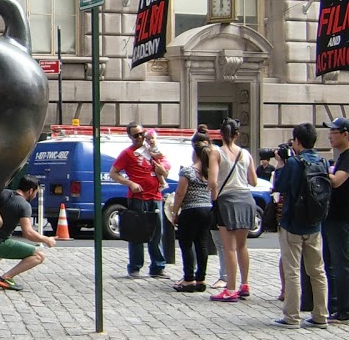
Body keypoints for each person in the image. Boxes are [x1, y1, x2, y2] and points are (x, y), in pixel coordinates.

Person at [272, 122, 329, 328]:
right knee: (317, 271)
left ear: (296, 141)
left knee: (293, 270)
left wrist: (280, 163)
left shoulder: (295, 163)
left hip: (293, 222)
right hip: (314, 223)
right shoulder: (323, 162)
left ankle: (292, 316)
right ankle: (321, 314)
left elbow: (279, 186)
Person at [0, 175, 55, 290]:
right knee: (39, 255)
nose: (35, 195)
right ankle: (6, 278)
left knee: (7, 239)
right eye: (36, 192)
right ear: (30, 190)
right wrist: (46, 239)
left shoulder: (4, 193)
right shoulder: (24, 205)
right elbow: (28, 233)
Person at [109, 122, 166, 280]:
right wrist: (130, 183)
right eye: (136, 135)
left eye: (142, 134)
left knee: (157, 232)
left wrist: (162, 172)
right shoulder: (127, 153)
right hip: (138, 198)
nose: (140, 137)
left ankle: (157, 266)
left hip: (155, 196)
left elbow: (165, 169)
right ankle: (135, 266)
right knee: (137, 233)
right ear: (130, 137)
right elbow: (114, 172)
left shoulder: (152, 150)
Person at [320, 118, 349, 321]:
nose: (330, 135)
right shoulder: (342, 156)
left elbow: (336, 181)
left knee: (341, 263)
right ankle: (335, 306)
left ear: (346, 134)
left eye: (333, 132)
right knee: (330, 263)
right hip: (331, 216)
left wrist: (321, 170)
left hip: (342, 216)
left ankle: (346, 309)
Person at [209, 118, 255, 301]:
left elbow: (212, 181)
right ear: (237, 135)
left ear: (220, 134)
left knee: (229, 247)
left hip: (227, 200)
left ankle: (230, 289)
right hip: (246, 199)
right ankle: (245, 284)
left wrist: (213, 193)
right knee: (242, 245)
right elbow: (254, 181)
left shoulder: (216, 153)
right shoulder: (246, 154)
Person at [168, 133, 214, 292]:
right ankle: (201, 278)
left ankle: (188, 279)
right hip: (207, 209)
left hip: (191, 209)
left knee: (186, 244)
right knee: (201, 244)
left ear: (194, 153)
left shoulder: (188, 171)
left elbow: (180, 193)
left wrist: (174, 212)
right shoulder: (210, 172)